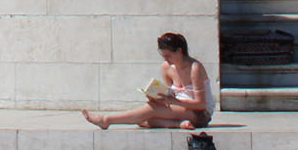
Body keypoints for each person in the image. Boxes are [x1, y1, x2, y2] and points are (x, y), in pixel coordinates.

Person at [81, 31, 210, 130]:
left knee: (147, 111)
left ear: (179, 51)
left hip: (199, 114)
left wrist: (173, 101)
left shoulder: (194, 68)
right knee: (140, 118)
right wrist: (158, 98)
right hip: (180, 108)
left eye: (168, 56)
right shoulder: (166, 67)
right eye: (163, 56)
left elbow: (201, 104)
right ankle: (178, 124)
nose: (166, 59)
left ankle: (106, 120)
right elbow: (169, 93)